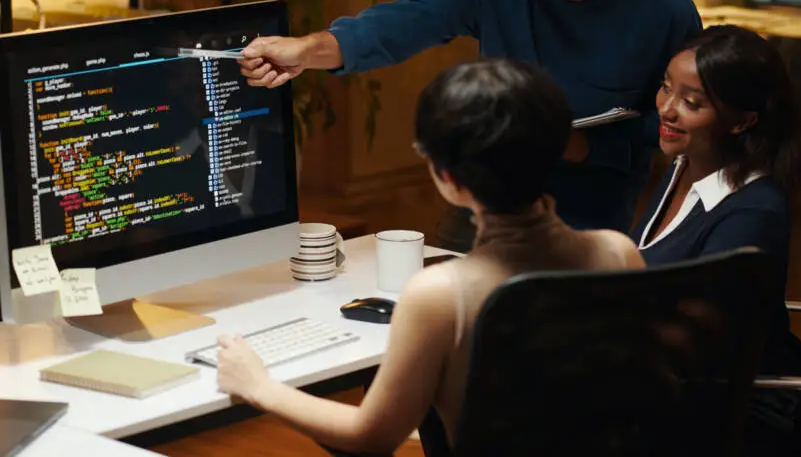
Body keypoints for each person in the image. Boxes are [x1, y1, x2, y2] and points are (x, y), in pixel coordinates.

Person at [237, 0, 702, 252]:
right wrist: (307, 49)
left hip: (591, 225)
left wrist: (578, 146)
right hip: (483, 209)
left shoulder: (661, 6)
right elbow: (411, 20)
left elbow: (690, 131)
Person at [216, 58, 645, 455]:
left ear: (448, 177)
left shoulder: (441, 294)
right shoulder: (618, 253)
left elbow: (372, 436)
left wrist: (260, 387)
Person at [629, 25, 801, 456]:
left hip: (738, 415)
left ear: (744, 121)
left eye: (691, 102)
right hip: (671, 385)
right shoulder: (686, 164)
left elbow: (693, 346)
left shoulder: (752, 213)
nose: (667, 109)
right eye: (665, 88)